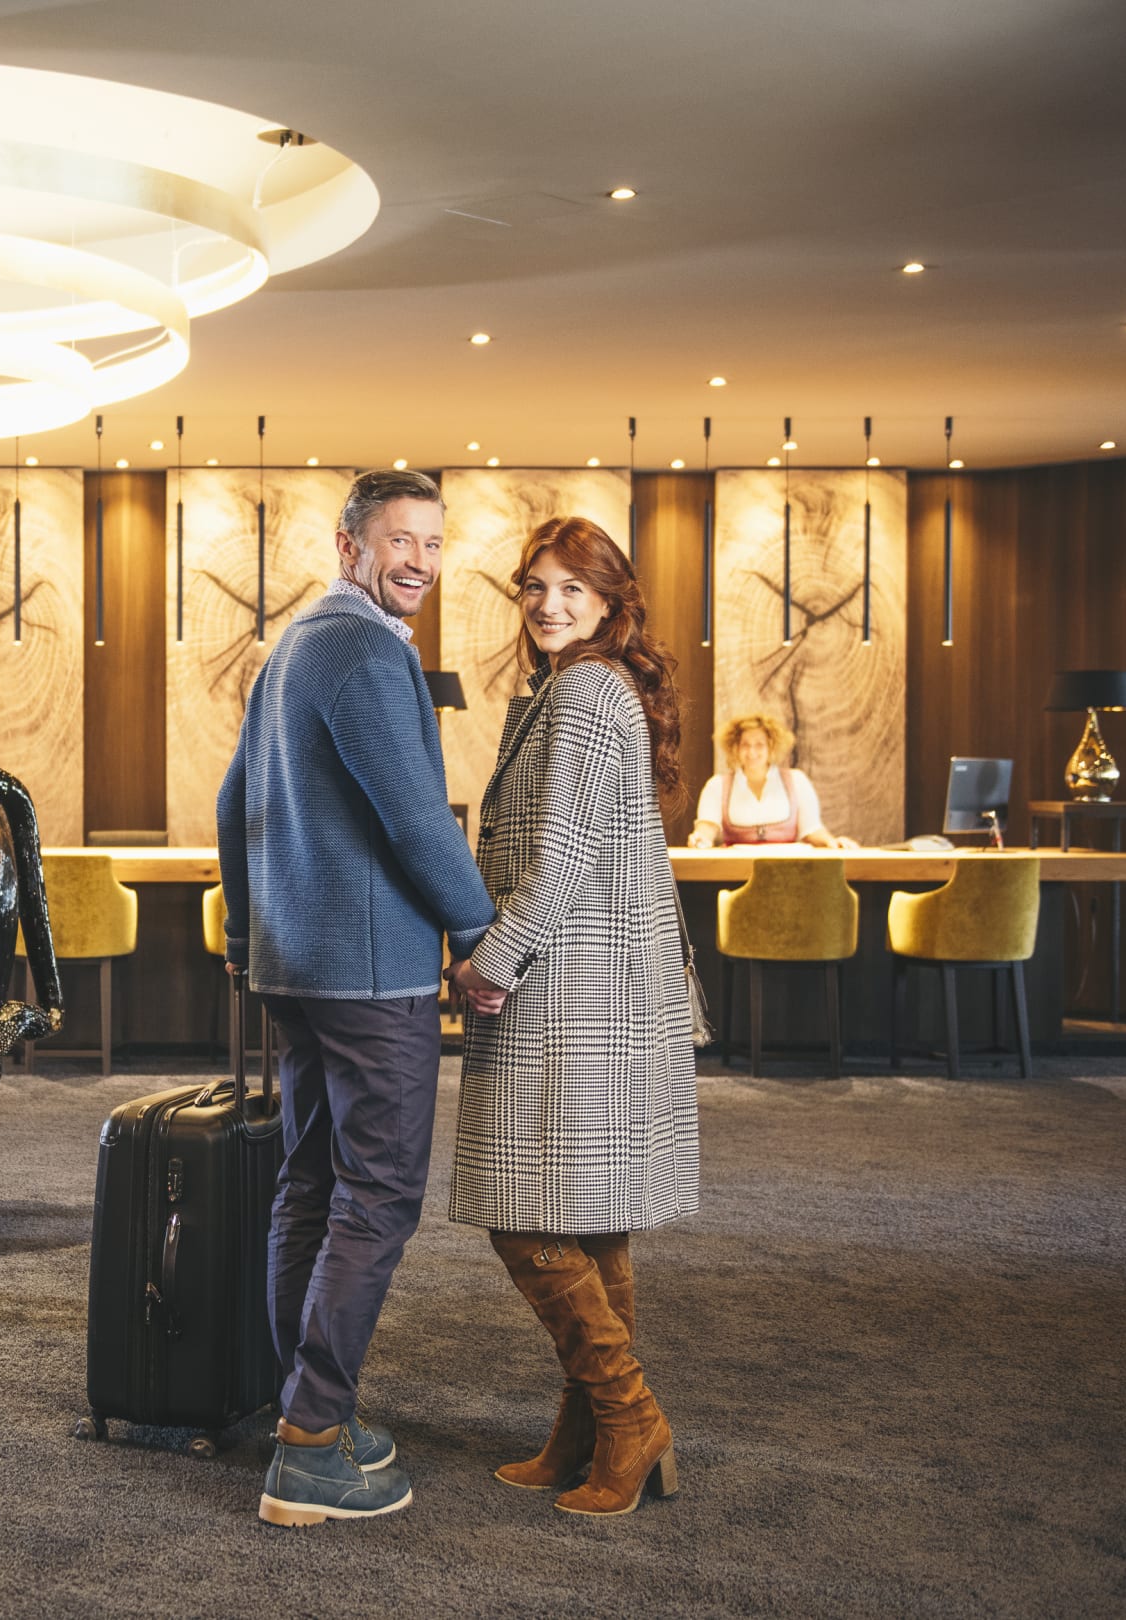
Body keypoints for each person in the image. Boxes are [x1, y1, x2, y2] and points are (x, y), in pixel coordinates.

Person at [216, 467, 496, 1528]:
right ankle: (311, 1446)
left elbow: (231, 802)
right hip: (371, 976)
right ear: (349, 548)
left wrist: (245, 940)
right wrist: (477, 935)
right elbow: (418, 818)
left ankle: (306, 1408)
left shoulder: (292, 646)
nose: (419, 562)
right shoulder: (366, 650)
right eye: (399, 541)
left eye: (433, 542)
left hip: (296, 968)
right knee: (376, 1196)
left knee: (310, 1185)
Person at [448, 515, 700, 1519]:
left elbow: (561, 861)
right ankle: (590, 1429)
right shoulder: (577, 687)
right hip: (595, 985)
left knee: (525, 1216)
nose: (549, 605)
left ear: (609, 604)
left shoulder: (588, 691)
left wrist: (488, 962)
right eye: (535, 587)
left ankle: (630, 1417)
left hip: (572, 990)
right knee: (588, 1219)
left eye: (572, 590)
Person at [685, 712, 840, 848]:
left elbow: (812, 830)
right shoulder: (717, 785)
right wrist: (701, 838)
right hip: (736, 868)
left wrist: (830, 841)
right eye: (745, 745)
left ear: (771, 747)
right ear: (735, 748)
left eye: (759, 745)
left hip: (787, 867)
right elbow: (707, 827)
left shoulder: (797, 780)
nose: (752, 752)